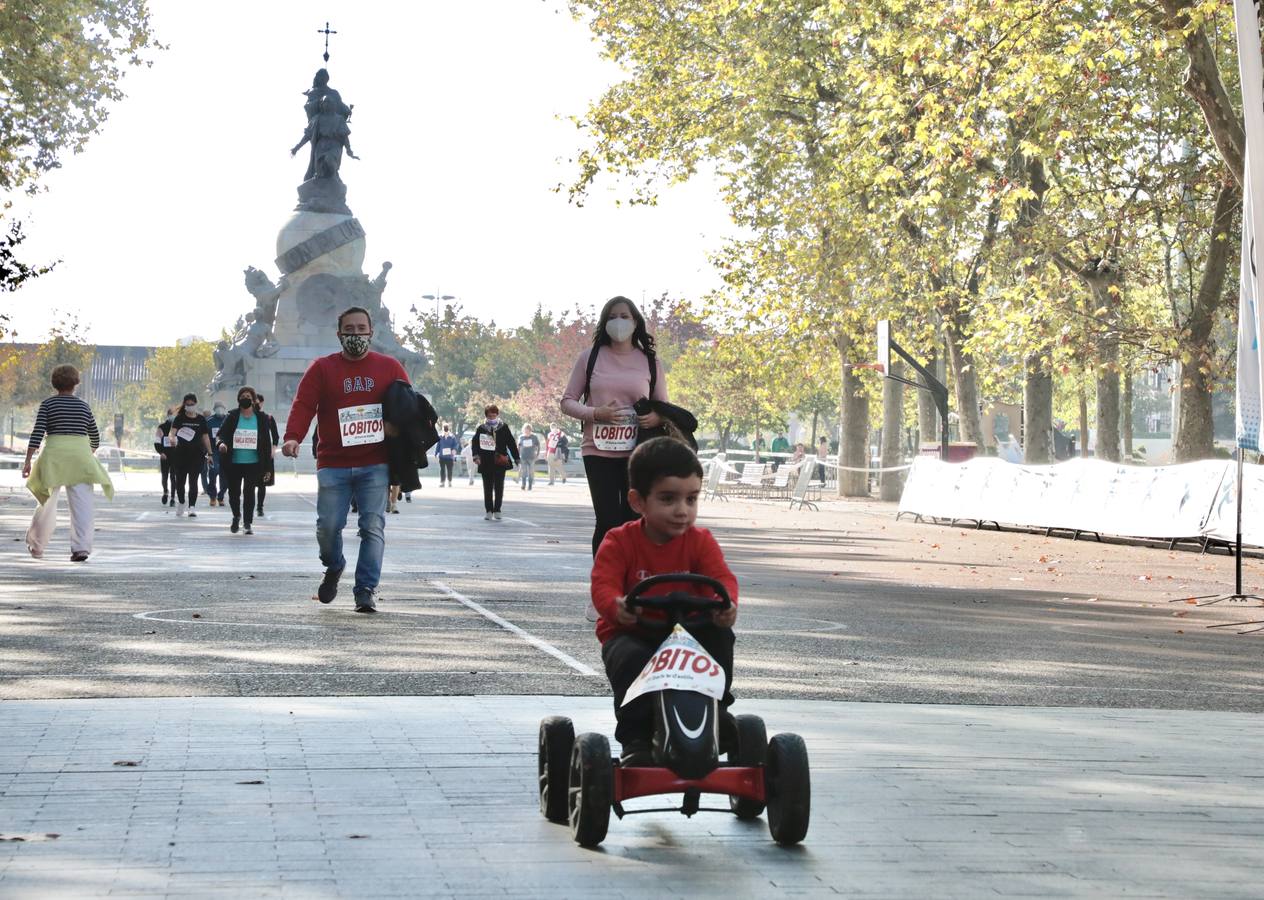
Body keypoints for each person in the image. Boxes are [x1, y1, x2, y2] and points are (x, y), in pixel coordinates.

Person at [590, 438, 738, 765]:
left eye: (691, 499)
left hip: (689, 632)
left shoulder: (701, 542)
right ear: (638, 501)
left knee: (720, 637)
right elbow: (603, 585)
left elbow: (723, 579)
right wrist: (619, 606)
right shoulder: (619, 541)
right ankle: (637, 737)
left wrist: (725, 605)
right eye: (668, 499)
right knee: (630, 658)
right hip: (633, 631)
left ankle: (717, 709)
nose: (682, 510)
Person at [281, 306, 409, 614]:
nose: (355, 335)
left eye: (360, 329)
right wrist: (293, 436)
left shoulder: (390, 367)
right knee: (328, 526)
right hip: (333, 463)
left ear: (371, 332)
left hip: (375, 463)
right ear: (339, 335)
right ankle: (334, 565)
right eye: (349, 330)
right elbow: (303, 405)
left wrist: (398, 428)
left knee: (372, 526)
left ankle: (365, 589)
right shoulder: (322, 368)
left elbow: (409, 406)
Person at [561, 295, 668, 557]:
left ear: (635, 322)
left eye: (624, 316)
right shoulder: (590, 358)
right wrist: (596, 413)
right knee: (607, 520)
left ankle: (629, 579)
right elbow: (567, 402)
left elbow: (664, 407)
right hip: (597, 450)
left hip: (637, 453)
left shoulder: (651, 362)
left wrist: (656, 418)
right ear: (603, 322)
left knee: (632, 520)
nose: (618, 322)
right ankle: (604, 580)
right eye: (611, 317)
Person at [22, 365, 115, 561]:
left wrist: (28, 460)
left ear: (54, 384)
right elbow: (95, 436)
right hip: (80, 458)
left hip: (54, 457)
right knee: (82, 505)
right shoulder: (83, 406)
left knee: (45, 503)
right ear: (76, 383)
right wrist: (87, 451)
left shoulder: (47, 405)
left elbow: (37, 434)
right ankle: (81, 548)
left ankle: (37, 546)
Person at [216, 386, 273, 535]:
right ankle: (236, 516)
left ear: (253, 400)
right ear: (239, 399)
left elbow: (266, 441)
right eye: (243, 396)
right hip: (234, 462)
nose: (245, 398)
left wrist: (267, 465)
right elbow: (221, 435)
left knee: (249, 492)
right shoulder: (232, 416)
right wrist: (221, 444)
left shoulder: (261, 418)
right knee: (234, 493)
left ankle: (247, 522)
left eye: (248, 396)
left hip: (253, 462)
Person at [472, 404, 519, 521]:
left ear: (497, 415)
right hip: (485, 462)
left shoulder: (504, 427)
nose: (492, 418)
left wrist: (516, 458)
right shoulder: (481, 428)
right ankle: (488, 510)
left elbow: (511, 443)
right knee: (487, 488)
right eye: (490, 415)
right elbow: (475, 444)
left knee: (499, 487)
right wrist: (476, 456)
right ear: (486, 416)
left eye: (494, 415)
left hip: (499, 462)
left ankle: (497, 509)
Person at [169, 393, 213, 517]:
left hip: (197, 455)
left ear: (195, 404)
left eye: (192, 404)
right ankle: (182, 502)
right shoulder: (179, 418)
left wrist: (210, 453)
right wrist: (172, 438)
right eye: (187, 405)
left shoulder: (200, 419)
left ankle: (192, 507)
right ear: (185, 405)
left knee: (193, 482)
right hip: (181, 454)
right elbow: (172, 432)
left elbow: (205, 437)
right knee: (180, 482)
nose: (189, 407)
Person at [253, 394, 280, 518]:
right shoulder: (248, 417)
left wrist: (273, 450)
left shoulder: (268, 418)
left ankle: (260, 507)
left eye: (258, 402)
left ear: (262, 403)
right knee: (250, 482)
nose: (256, 404)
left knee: (262, 482)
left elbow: (275, 436)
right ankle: (250, 505)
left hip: (265, 453)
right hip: (251, 452)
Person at [203, 402, 227, 506]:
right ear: (214, 409)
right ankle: (212, 496)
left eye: (221, 408)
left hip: (226, 452)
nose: (220, 410)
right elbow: (204, 437)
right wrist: (207, 453)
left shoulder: (228, 420)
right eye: (217, 408)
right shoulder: (209, 421)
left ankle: (221, 496)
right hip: (213, 452)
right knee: (213, 472)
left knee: (226, 476)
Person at [154, 407, 176, 506]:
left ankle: (172, 497)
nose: (173, 416)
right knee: (165, 476)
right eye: (171, 414)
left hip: (176, 455)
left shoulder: (179, 427)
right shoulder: (161, 427)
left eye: (174, 414)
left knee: (173, 477)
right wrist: (161, 452)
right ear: (168, 415)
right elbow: (157, 442)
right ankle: (165, 492)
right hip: (165, 455)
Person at [517, 423, 540, 491]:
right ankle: (523, 485)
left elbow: (538, 446)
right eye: (525, 430)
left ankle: (530, 486)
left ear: (530, 430)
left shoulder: (534, 437)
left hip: (531, 457)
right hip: (523, 457)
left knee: (531, 472)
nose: (526, 431)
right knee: (524, 472)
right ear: (523, 430)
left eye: (528, 430)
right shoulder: (521, 437)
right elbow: (518, 446)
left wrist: (537, 454)